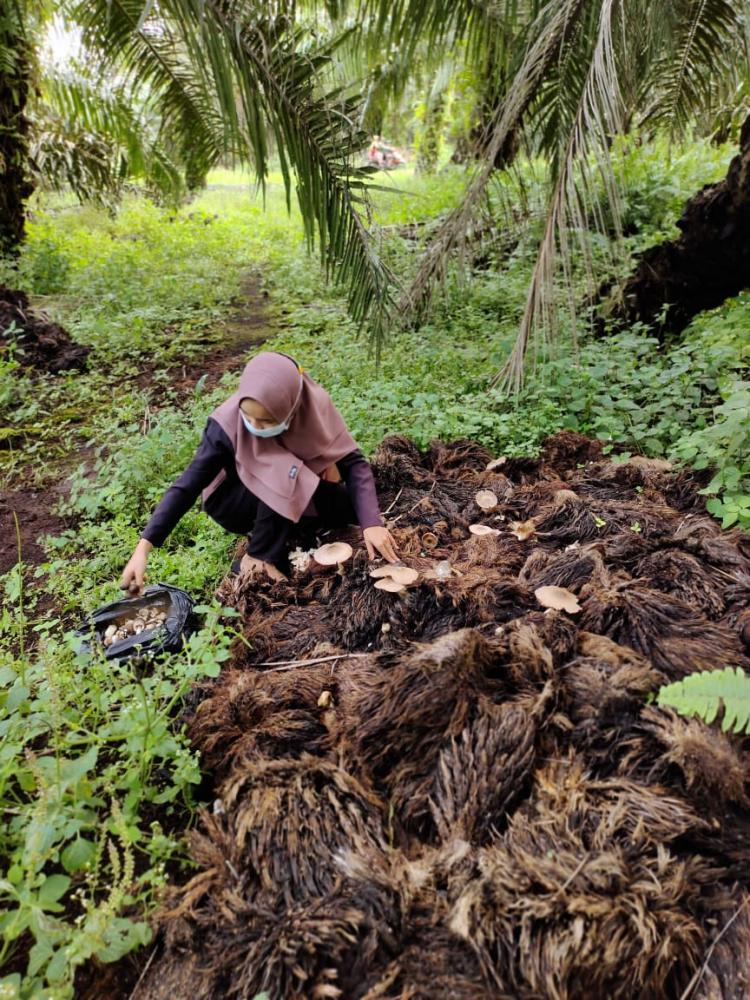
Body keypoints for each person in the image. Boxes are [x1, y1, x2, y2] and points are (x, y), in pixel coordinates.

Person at [120, 351, 399, 593]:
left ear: (291, 408)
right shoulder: (224, 428)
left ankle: (290, 532)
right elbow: (187, 486)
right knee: (283, 471)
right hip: (235, 499)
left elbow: (354, 463)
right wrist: (143, 548)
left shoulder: (311, 406)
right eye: (248, 417)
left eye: (265, 422)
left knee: (346, 507)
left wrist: (371, 523)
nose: (254, 428)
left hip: (289, 483)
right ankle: (258, 558)